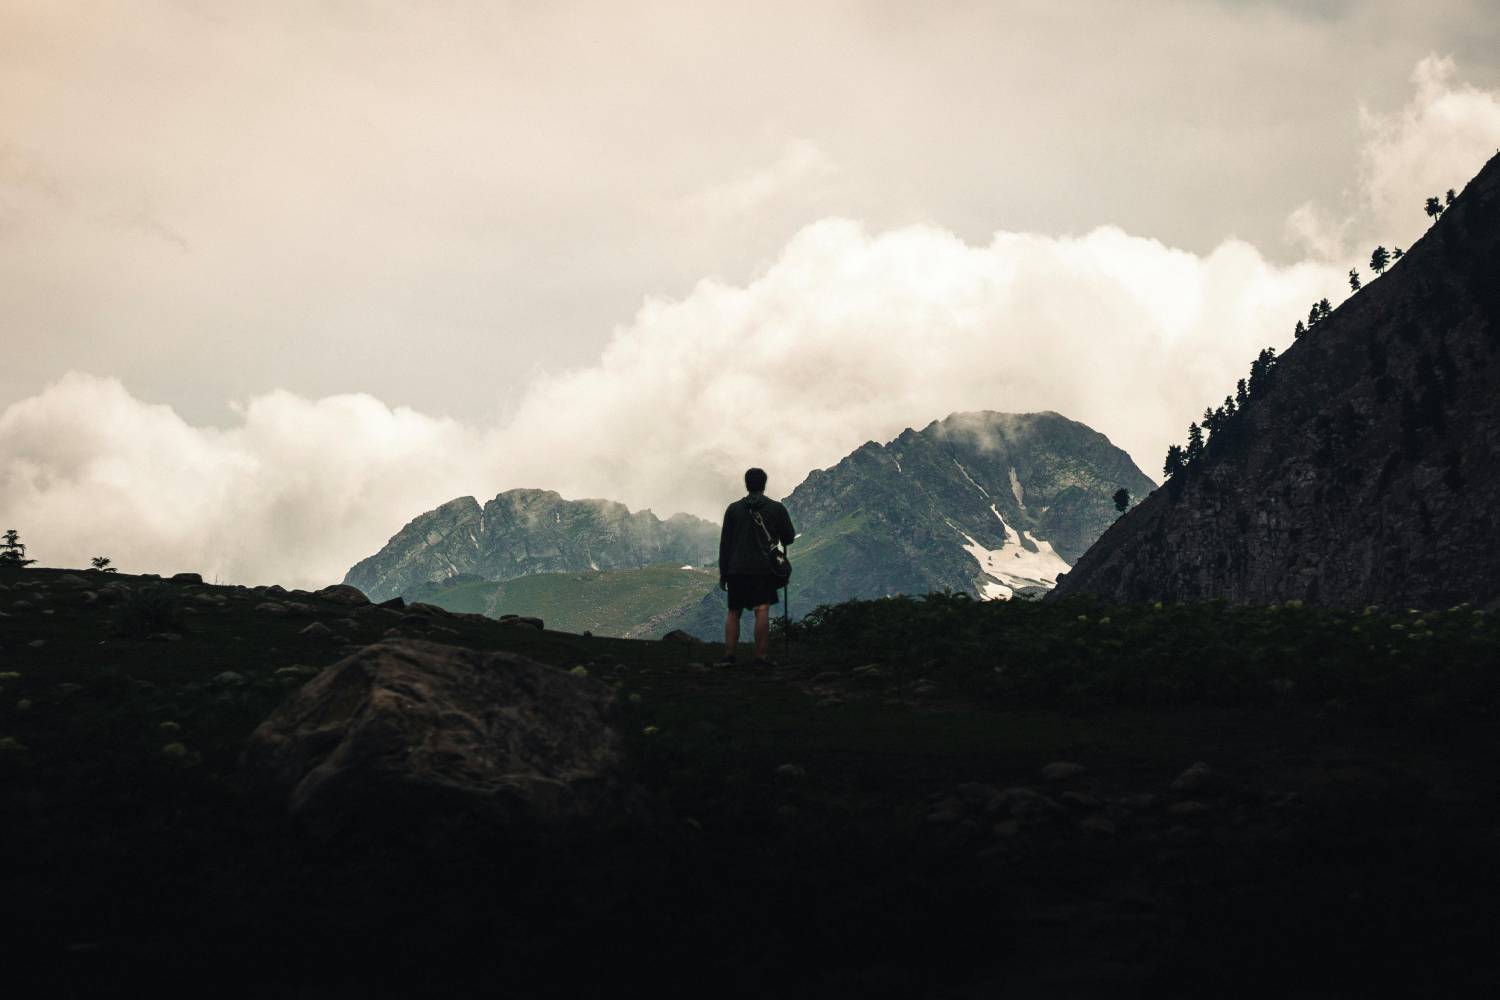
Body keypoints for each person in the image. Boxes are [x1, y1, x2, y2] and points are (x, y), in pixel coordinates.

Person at [714, 467, 795, 668]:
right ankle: (760, 657)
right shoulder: (776, 509)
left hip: (736, 568)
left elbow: (725, 544)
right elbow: (789, 537)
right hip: (763, 568)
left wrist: (723, 573)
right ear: (764, 484)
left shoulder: (733, 509)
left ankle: (729, 655)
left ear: (747, 484)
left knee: (734, 611)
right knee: (762, 610)